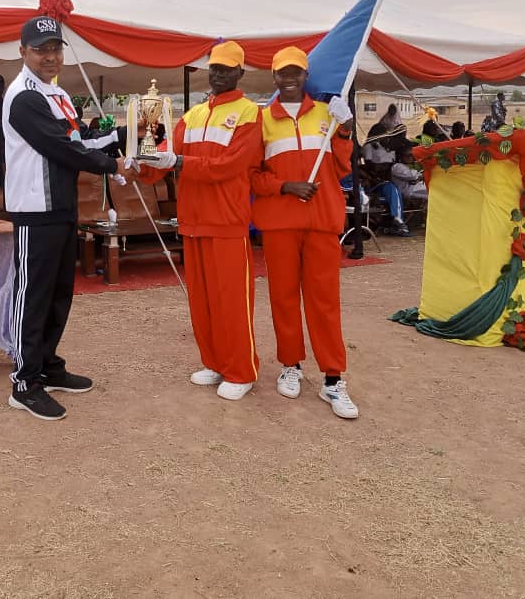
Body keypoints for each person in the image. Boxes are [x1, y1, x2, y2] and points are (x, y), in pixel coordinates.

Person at [3, 15, 133, 421]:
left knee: (60, 292)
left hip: (61, 206)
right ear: (23, 52)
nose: (50, 56)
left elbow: (77, 139)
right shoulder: (24, 95)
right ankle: (24, 382)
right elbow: (62, 149)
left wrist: (128, 138)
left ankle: (47, 365)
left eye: (56, 48)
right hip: (33, 208)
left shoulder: (55, 93)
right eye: (41, 49)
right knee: (33, 295)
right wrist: (113, 166)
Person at [135, 40, 263, 402]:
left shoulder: (250, 113)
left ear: (240, 72)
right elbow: (164, 155)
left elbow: (230, 166)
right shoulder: (192, 115)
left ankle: (241, 369)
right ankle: (214, 361)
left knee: (232, 302)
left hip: (227, 222)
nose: (219, 73)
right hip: (193, 220)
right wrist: (137, 164)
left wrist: (177, 163)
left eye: (226, 68)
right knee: (202, 301)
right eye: (214, 67)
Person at [251, 46, 359, 419]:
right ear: (275, 78)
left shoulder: (327, 115)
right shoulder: (262, 120)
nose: (291, 78)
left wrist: (345, 130)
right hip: (280, 223)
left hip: (322, 222)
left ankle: (333, 378)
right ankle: (291, 365)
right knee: (283, 298)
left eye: (297, 72)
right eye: (284, 73)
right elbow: (253, 174)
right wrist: (284, 187)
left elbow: (343, 166)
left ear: (305, 75)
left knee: (325, 302)